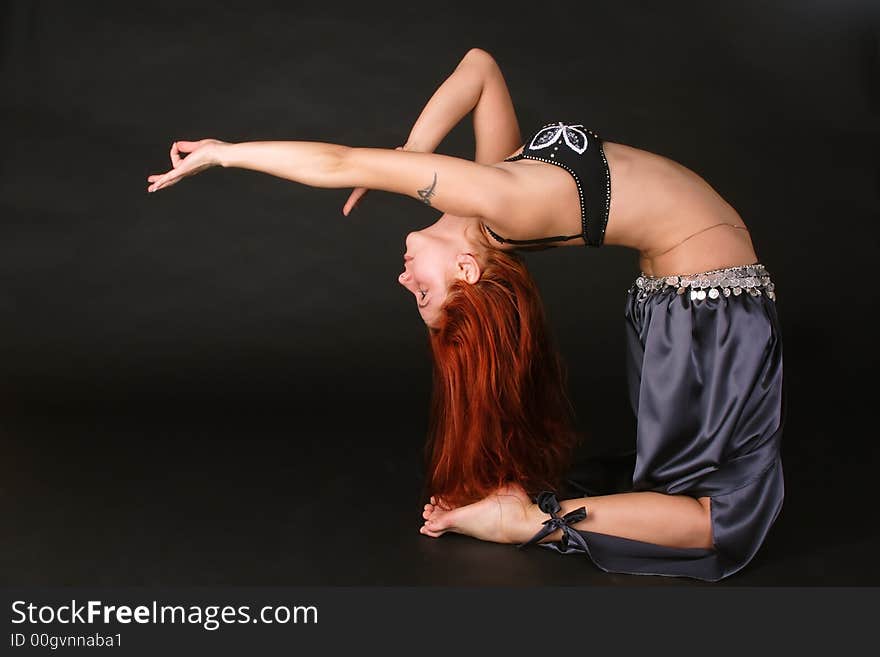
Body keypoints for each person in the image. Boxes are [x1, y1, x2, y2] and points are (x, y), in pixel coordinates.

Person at [146, 48, 785, 581]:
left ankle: (524, 518)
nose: (403, 279)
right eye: (422, 294)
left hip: (700, 304)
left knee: (697, 496)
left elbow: (480, 70)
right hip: (703, 307)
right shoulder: (499, 206)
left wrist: (409, 152)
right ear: (466, 272)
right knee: (714, 512)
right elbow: (340, 163)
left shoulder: (488, 194)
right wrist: (222, 154)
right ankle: (525, 521)